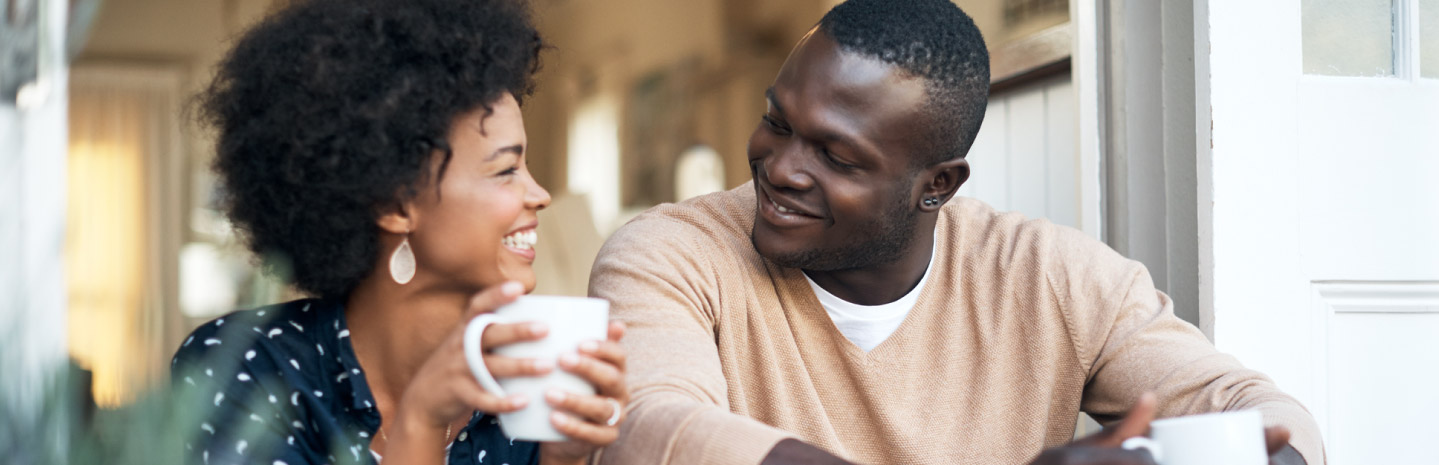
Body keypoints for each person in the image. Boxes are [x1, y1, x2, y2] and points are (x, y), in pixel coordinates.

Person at [588, 0, 1324, 464]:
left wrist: (1245, 453)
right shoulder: (669, 253)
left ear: (937, 184)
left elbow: (1260, 409)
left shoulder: (1053, 278)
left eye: (836, 156)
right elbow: (651, 428)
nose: (780, 168)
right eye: (777, 122)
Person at [170, 1, 628, 464]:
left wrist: (562, 458)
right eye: (506, 169)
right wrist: (421, 420)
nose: (541, 194)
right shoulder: (243, 368)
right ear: (395, 204)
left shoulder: (525, 379)